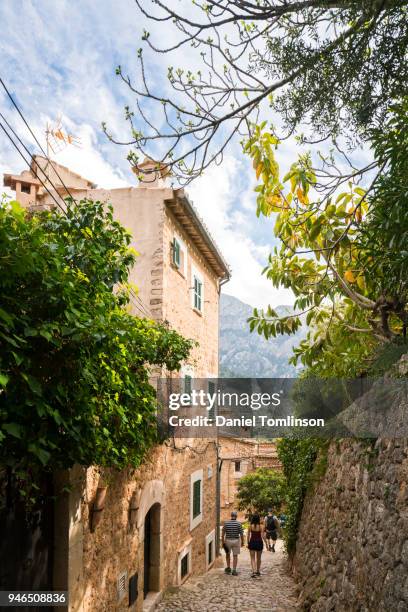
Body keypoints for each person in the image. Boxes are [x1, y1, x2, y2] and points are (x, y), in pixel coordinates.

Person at [222, 511, 244, 576]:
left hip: (227, 541)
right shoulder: (239, 524)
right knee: (235, 556)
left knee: (227, 554)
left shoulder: (226, 523)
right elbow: (241, 534)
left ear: (231, 516)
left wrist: (223, 541)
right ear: (236, 516)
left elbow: (223, 533)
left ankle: (228, 567)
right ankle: (234, 570)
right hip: (236, 541)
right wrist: (242, 542)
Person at [247, 513, 266, 578]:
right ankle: (258, 571)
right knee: (259, 558)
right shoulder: (261, 526)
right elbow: (263, 536)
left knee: (252, 558)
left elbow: (248, 536)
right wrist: (266, 544)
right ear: (258, 519)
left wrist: (248, 543)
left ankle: (254, 571)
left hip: (252, 542)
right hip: (259, 542)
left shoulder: (250, 526)